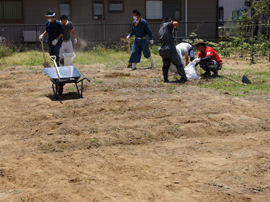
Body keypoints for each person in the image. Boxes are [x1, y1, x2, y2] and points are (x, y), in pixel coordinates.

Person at [158, 17, 187, 83]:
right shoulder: (168, 24)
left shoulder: (160, 28)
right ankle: (183, 77)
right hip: (170, 48)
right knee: (178, 63)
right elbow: (176, 23)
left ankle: (166, 79)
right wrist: (176, 27)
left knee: (166, 64)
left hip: (163, 49)